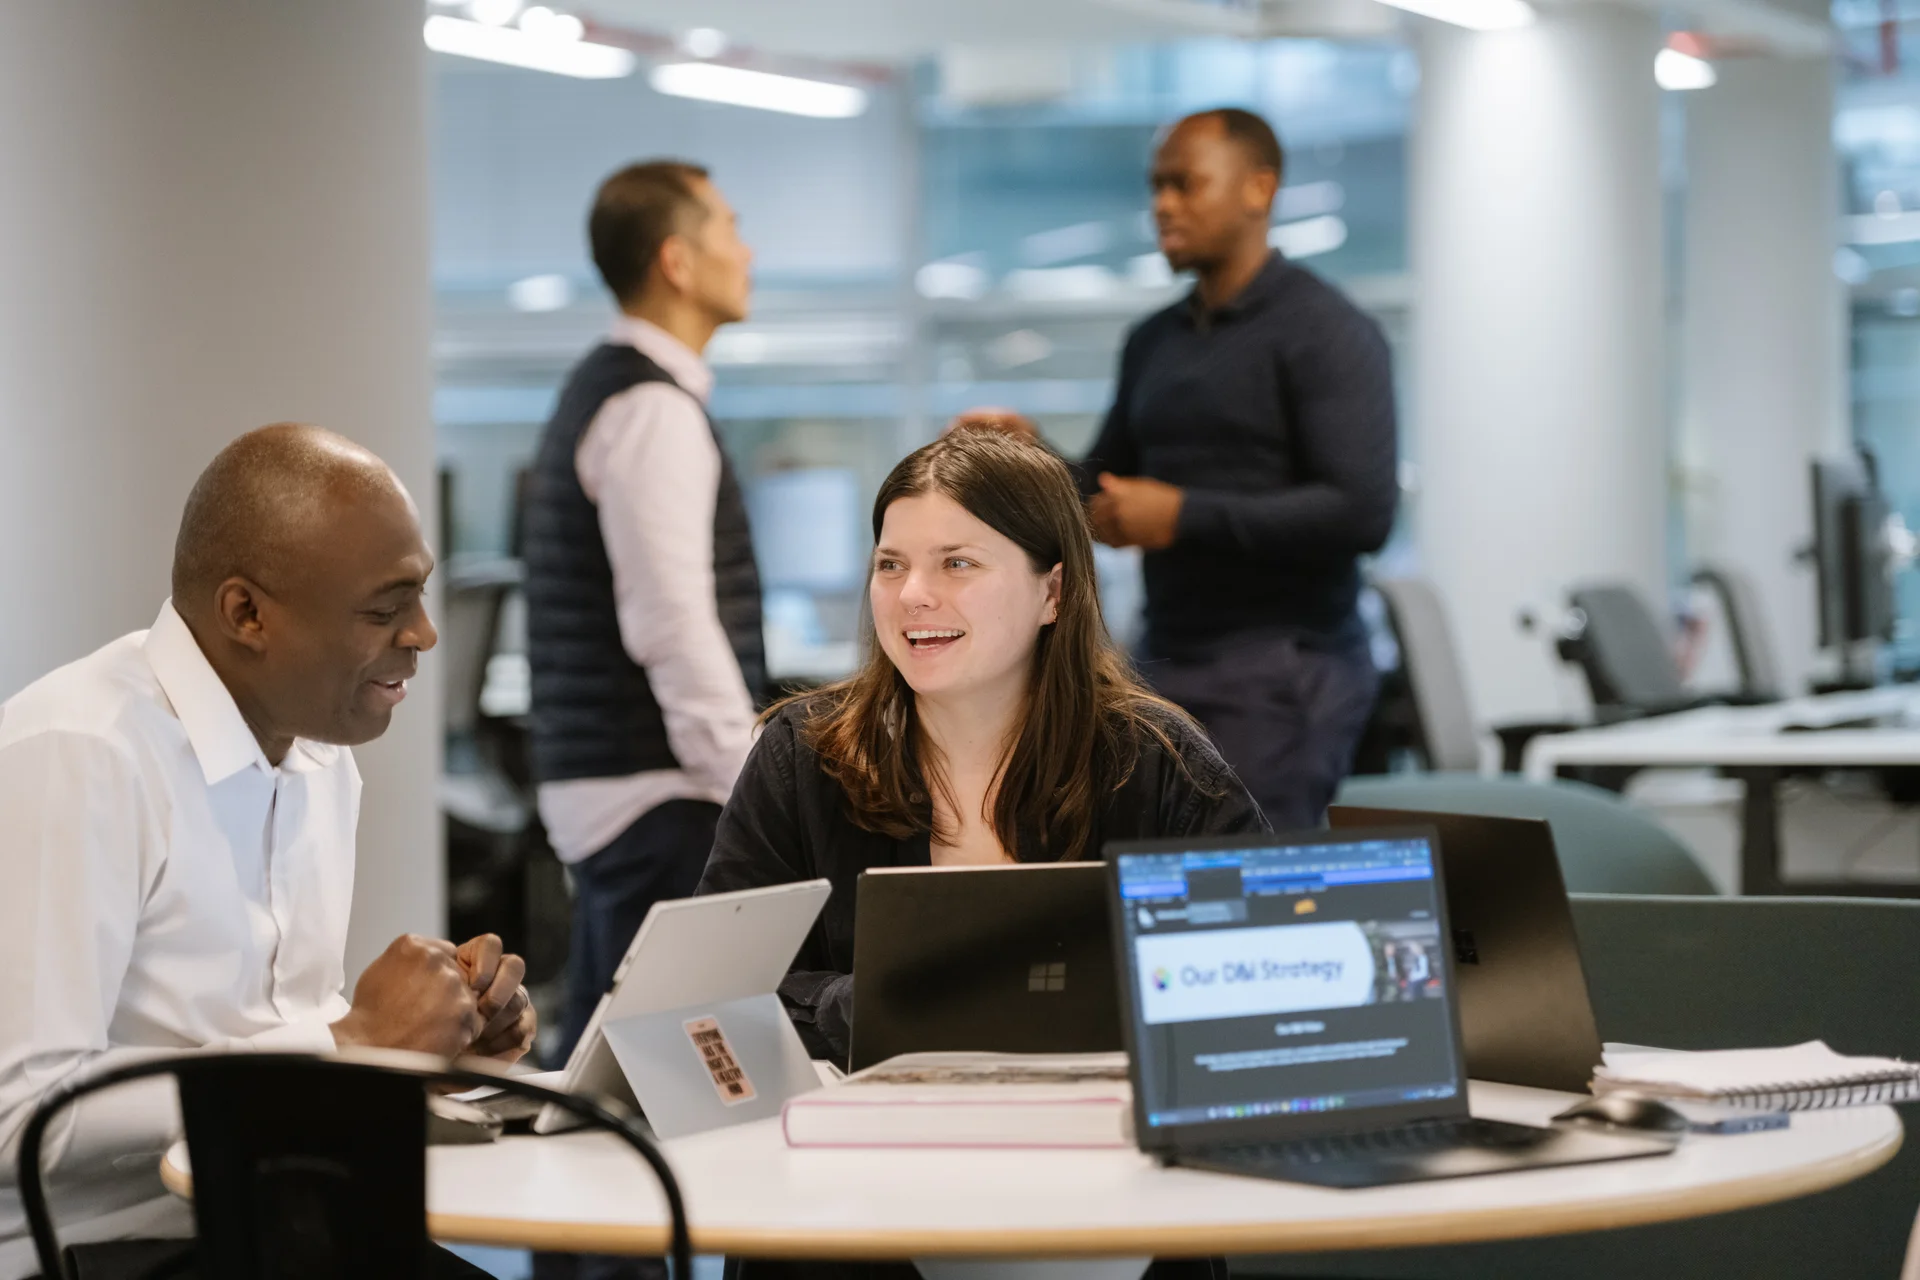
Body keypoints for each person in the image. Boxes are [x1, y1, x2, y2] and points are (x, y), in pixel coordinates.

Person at [0, 425, 534, 1279]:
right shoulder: (82, 752)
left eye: (421, 597)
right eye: (385, 609)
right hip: (97, 1255)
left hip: (278, 1223)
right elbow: (23, 1117)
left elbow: (279, 1041)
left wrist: (423, 1055)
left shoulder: (323, 759)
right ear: (246, 613)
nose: (427, 635)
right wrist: (346, 1046)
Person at [698, 425, 1267, 1068]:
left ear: (1052, 593)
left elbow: (1252, 982)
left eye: (956, 562)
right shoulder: (802, 755)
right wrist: (892, 1003)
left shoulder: (1155, 760)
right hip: (860, 1149)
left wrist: (932, 1003)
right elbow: (710, 997)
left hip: (1093, 1142)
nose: (912, 593)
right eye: (891, 565)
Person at [961, 108, 1399, 829]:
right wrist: (1029, 451)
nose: (1163, 204)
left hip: (1283, 666)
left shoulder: (1328, 332)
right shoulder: (1155, 341)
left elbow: (1362, 511)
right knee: (1141, 881)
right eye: (1156, 186)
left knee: (1243, 888)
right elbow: (1107, 490)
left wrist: (1182, 514)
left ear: (1260, 189)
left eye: (1186, 184)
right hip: (1164, 656)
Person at [522, 160, 764, 1280]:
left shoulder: (614, 392)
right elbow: (674, 621)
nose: (745, 248)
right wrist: (757, 780)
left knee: (608, 1088)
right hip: (659, 790)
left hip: (617, 784)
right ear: (677, 258)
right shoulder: (651, 408)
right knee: (631, 1114)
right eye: (728, 226)